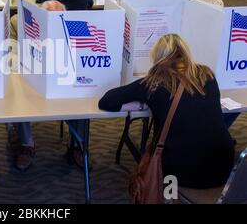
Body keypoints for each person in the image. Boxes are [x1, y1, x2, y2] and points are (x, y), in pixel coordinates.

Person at [99, 34, 235, 189]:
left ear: (158, 56)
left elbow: (107, 101)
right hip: (223, 168)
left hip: (182, 174)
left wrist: (144, 104)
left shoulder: (154, 82)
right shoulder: (207, 74)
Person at [12, 0, 67, 171]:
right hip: (28, 72)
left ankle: (78, 145)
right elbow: (10, 52)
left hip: (57, 75)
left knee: (82, 93)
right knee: (18, 94)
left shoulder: (66, 26)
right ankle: (26, 144)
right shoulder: (18, 22)